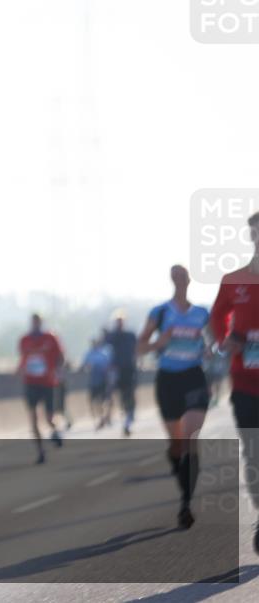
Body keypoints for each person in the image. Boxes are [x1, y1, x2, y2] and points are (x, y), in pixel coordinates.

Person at [136, 265, 211, 529]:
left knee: (190, 437)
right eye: (176, 276)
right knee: (177, 444)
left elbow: (215, 341)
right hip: (168, 380)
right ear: (171, 280)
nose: (180, 280)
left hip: (194, 377)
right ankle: (177, 465)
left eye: (184, 276)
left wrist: (211, 348)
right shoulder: (160, 312)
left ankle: (185, 503)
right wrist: (159, 343)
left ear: (189, 280)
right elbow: (139, 347)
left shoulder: (202, 313)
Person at [210, 211, 259, 552]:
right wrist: (223, 341)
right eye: (256, 234)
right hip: (244, 382)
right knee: (254, 451)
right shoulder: (233, 279)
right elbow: (216, 316)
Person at [17, 314, 65, 464]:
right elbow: (23, 358)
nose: (36, 324)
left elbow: (61, 357)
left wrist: (57, 370)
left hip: (48, 382)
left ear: (41, 323)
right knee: (33, 417)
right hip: (30, 382)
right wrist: (19, 370)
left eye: (38, 322)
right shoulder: (24, 340)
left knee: (49, 418)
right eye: (33, 322)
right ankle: (40, 451)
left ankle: (55, 431)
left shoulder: (51, 338)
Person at [105, 311, 138, 436]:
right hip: (116, 369)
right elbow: (105, 347)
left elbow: (136, 350)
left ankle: (128, 420)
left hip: (129, 369)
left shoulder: (130, 335)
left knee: (129, 394)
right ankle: (109, 415)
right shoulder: (112, 336)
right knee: (112, 393)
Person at [81, 332, 114, 430]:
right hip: (93, 379)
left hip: (103, 379)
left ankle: (104, 417)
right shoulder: (88, 354)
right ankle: (100, 417)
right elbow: (84, 365)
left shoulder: (104, 353)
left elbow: (110, 366)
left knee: (103, 400)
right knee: (93, 401)